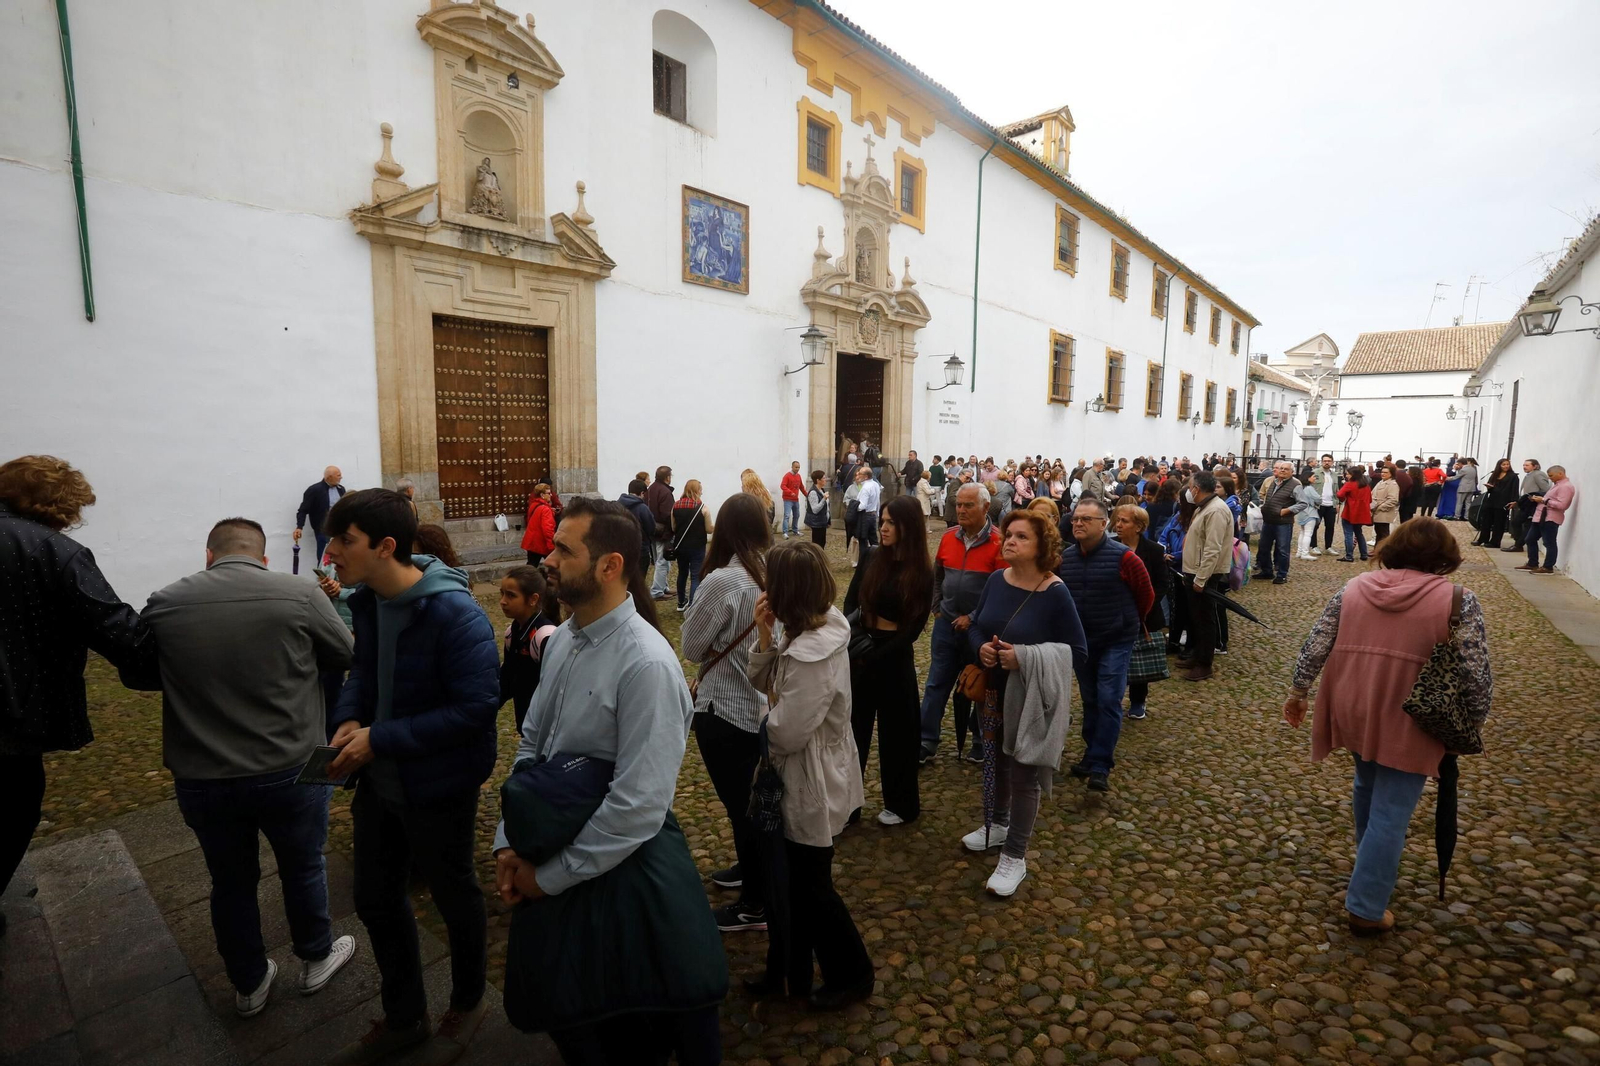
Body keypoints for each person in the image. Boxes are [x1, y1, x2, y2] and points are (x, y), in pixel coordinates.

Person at [494, 498, 724, 1061]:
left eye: (563, 549)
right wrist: (509, 840)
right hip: (559, 852)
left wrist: (546, 878)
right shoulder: (565, 638)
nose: (547, 559)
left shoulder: (646, 664)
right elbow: (533, 744)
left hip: (618, 872)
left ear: (609, 565)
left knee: (619, 1025)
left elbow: (639, 805)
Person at [128, 517, 357, 1016]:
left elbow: (144, 672)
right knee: (303, 864)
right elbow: (345, 652)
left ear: (208, 555)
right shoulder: (298, 594)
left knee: (229, 880)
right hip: (294, 761)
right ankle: (316, 957)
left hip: (204, 773)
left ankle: (249, 982)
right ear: (263, 557)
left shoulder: (164, 601)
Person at [323, 489, 501, 1066]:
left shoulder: (454, 612)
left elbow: (476, 707)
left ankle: (469, 1002)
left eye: (344, 541)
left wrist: (380, 737)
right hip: (381, 783)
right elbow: (364, 672)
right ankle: (404, 1017)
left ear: (386, 546)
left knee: (455, 895)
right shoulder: (370, 601)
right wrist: (350, 717)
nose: (330, 553)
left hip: (438, 785)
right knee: (375, 897)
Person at [1284, 517, 1491, 936]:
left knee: (1367, 781)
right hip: (1410, 713)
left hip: (1353, 701)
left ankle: (1370, 860)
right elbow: (1475, 674)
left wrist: (1299, 690)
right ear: (1445, 557)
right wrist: (1470, 724)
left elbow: (1317, 641)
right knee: (1392, 812)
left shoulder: (1355, 587)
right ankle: (1365, 906)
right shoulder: (1457, 600)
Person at [0, 456, 154, 937]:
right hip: (11, 714)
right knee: (15, 804)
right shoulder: (53, 550)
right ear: (57, 505)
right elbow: (119, 631)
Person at [745, 540, 874, 1010]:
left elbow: (787, 733)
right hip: (802, 772)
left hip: (808, 780)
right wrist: (764, 637)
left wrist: (763, 722)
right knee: (789, 885)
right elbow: (769, 682)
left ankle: (853, 974)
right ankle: (786, 971)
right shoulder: (804, 630)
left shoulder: (813, 650)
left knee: (811, 889)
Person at [962, 509, 1086, 896]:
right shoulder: (998, 580)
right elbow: (978, 623)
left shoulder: (1055, 592)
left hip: (1031, 697)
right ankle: (999, 824)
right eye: (1008, 535)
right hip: (994, 692)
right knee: (996, 759)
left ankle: (1015, 856)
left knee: (1023, 772)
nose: (1009, 541)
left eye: (1020, 537)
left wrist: (1026, 656)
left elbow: (1077, 651)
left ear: (1041, 547)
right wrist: (980, 646)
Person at [681, 493, 770, 934]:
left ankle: (756, 903)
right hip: (764, 708)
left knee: (742, 809)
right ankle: (752, 871)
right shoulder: (774, 570)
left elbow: (692, 647)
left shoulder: (723, 582)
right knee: (753, 804)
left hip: (726, 709)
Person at [844, 495, 933, 825]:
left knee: (899, 736)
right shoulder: (870, 557)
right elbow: (850, 603)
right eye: (882, 520)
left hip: (893, 659)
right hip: (862, 653)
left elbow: (913, 629)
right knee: (853, 734)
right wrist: (858, 643)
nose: (883, 527)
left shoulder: (921, 570)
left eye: (891, 522)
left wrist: (878, 654)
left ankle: (901, 803)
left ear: (908, 527)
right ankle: (847, 804)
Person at [1057, 496, 1154, 791]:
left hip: (1116, 638)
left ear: (1103, 524)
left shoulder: (1124, 557)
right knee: (1090, 699)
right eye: (1075, 519)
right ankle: (1090, 753)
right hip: (1083, 641)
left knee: (1109, 698)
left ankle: (1100, 763)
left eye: (1085, 519)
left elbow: (1146, 595)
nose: (1078, 524)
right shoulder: (1067, 559)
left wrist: (1127, 623)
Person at [919, 482, 1005, 764]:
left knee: (981, 685)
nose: (962, 510)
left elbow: (999, 591)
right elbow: (938, 576)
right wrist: (936, 607)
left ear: (984, 507)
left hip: (979, 631)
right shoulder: (947, 538)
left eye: (969, 505)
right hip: (946, 624)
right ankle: (926, 739)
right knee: (936, 683)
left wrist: (974, 618)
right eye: (959, 505)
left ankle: (981, 740)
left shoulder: (998, 541)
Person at [1176, 474, 1234, 683]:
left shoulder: (1216, 510)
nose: (1188, 491)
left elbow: (1213, 548)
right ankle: (1197, 655)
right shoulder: (1204, 507)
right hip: (1194, 569)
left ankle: (1204, 663)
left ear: (1197, 489)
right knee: (1196, 617)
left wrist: (1201, 578)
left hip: (1205, 572)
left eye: (1190, 487)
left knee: (1204, 618)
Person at [1112, 504, 1168, 719]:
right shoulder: (1110, 547)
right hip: (1115, 613)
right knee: (1115, 658)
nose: (1118, 525)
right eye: (1117, 520)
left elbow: (1162, 583)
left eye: (1124, 521)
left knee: (1140, 656)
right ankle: (1113, 698)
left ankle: (1138, 700)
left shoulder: (1153, 550)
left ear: (1139, 527)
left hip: (1145, 614)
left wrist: (1146, 605)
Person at [499, 566, 557, 734]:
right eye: (502, 593)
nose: (503, 601)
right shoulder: (512, 632)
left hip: (546, 729)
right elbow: (508, 678)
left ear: (533, 599)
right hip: (525, 723)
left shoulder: (544, 636)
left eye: (511, 595)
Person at [1520, 465, 1576, 574]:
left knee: (1549, 542)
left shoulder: (1565, 487)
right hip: (1541, 517)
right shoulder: (1557, 485)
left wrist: (1544, 500)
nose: (1550, 478)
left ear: (1560, 473)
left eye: (1551, 476)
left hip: (1550, 518)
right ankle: (1532, 563)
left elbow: (1562, 505)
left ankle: (1548, 566)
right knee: (1530, 539)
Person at [1255, 460, 1300, 584]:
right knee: (1263, 547)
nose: (1283, 471)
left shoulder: (1295, 484)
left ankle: (1282, 574)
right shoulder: (1273, 482)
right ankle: (1267, 571)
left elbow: (1303, 503)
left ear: (1292, 472)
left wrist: (1287, 510)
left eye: (1286, 469)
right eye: (1281, 468)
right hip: (1268, 520)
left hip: (1283, 522)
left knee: (1282, 549)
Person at [672, 479, 710, 612]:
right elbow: (709, 529)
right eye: (700, 489)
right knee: (695, 575)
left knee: (682, 573)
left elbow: (673, 527)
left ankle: (681, 602)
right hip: (697, 546)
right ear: (697, 490)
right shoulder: (702, 507)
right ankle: (692, 605)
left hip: (681, 546)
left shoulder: (675, 506)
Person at [294, 466, 347, 559]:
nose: (341, 477)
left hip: (340, 529)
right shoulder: (314, 490)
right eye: (338, 475)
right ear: (329, 477)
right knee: (324, 556)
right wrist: (299, 527)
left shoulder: (341, 489)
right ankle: (322, 573)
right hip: (323, 529)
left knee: (341, 555)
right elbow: (303, 510)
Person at [1503, 459, 1553, 554]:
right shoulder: (1529, 475)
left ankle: (1518, 545)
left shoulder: (1538, 474)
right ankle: (1518, 543)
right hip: (1526, 503)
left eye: (1527, 465)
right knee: (1516, 522)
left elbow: (1546, 489)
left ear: (1535, 466)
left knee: (1527, 525)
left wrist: (1535, 497)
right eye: (1524, 465)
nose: (1524, 467)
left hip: (1533, 504)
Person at [618, 478, 659, 577]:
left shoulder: (617, 506)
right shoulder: (642, 508)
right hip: (640, 549)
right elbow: (651, 528)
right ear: (642, 493)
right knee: (639, 580)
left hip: (621, 549)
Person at [647, 465, 677, 598]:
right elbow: (667, 514)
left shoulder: (651, 489)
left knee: (660, 560)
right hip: (663, 532)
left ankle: (663, 587)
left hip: (652, 529)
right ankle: (657, 591)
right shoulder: (664, 492)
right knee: (662, 562)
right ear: (667, 477)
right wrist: (673, 528)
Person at [1336, 465, 1374, 563]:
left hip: (1350, 511)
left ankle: (1349, 555)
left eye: (1348, 474)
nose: (1346, 475)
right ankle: (1364, 554)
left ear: (1353, 475)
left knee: (1348, 534)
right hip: (1361, 512)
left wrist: (1343, 499)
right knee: (1359, 533)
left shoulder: (1350, 484)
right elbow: (1369, 499)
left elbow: (1339, 494)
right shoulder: (1366, 485)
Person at [1477, 458, 1517, 548]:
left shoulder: (1513, 476)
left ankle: (1495, 542)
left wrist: (1514, 501)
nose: (1506, 466)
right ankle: (1483, 539)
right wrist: (1489, 487)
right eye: (1504, 464)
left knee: (1499, 523)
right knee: (1486, 521)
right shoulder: (1495, 475)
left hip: (1503, 502)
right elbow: (1490, 487)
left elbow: (1514, 489)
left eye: (1507, 464)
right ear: (1499, 466)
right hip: (1492, 500)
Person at [1308, 454, 1339, 555]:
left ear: (1332, 462)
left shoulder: (1334, 475)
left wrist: (1337, 503)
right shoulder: (1315, 473)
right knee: (1315, 525)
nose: (1327, 462)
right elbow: (1309, 487)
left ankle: (1328, 546)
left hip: (1331, 504)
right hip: (1318, 504)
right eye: (1325, 461)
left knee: (1330, 526)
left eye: (1329, 461)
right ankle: (1314, 546)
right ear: (1321, 462)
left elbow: (1336, 490)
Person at [521, 482, 556, 566]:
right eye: (548, 493)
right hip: (541, 543)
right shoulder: (545, 509)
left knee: (531, 565)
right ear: (542, 495)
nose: (551, 495)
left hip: (533, 542)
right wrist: (551, 545)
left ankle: (525, 578)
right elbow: (548, 529)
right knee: (554, 565)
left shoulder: (534, 505)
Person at [1290, 476, 1323, 562]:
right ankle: (1305, 553)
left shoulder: (1300, 488)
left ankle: (1299, 551)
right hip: (1310, 512)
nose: (1315, 478)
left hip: (1301, 513)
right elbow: (1318, 499)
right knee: (1308, 534)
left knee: (1302, 533)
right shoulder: (1310, 488)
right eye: (1313, 477)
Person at [853, 465, 882, 558]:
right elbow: (878, 500)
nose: (858, 475)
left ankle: (864, 562)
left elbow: (862, 506)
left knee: (863, 540)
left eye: (860, 473)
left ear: (866, 476)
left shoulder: (865, 488)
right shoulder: (875, 484)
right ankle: (877, 559)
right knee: (874, 540)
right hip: (873, 515)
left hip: (865, 516)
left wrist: (854, 508)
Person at [1370, 464, 1400, 543]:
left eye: (1386, 472)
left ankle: (1383, 551)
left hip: (1384, 513)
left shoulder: (1392, 484)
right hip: (1376, 511)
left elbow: (1393, 500)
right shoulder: (1380, 482)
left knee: (1383, 534)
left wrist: (1380, 507)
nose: (1383, 474)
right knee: (1378, 532)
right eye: (1382, 472)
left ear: (1391, 474)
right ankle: (1377, 550)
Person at [802, 469, 831, 547]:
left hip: (822, 521)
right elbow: (815, 509)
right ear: (818, 480)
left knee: (822, 542)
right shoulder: (813, 492)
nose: (825, 480)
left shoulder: (821, 490)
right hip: (816, 522)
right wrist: (824, 499)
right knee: (817, 543)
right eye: (824, 478)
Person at [780, 461, 806, 538]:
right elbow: (782, 486)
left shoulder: (799, 476)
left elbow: (801, 487)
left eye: (798, 467)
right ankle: (785, 532)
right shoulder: (787, 476)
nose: (797, 469)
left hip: (795, 499)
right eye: (796, 467)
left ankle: (795, 530)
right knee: (787, 515)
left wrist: (807, 495)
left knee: (797, 515)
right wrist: (790, 492)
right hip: (788, 499)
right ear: (792, 467)